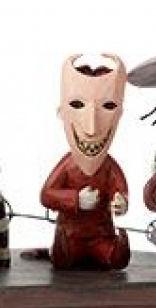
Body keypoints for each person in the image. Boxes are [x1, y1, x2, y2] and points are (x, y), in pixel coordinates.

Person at [40, 54, 131, 270]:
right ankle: (61, 250)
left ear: (119, 115)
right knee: (65, 256)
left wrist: (121, 201)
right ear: (61, 113)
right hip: (71, 234)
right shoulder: (68, 165)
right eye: (77, 105)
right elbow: (47, 195)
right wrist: (75, 200)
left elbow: (120, 190)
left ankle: (113, 252)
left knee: (113, 256)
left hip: (102, 236)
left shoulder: (109, 167)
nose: (91, 128)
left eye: (108, 106)